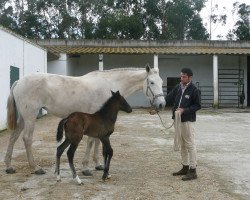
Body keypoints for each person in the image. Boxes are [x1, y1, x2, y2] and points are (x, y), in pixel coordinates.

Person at [150, 68, 201, 181]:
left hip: (187, 121)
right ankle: (185, 167)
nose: (181, 78)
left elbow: (197, 106)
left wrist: (184, 110)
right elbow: (167, 99)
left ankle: (193, 171)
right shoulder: (178, 87)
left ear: (190, 78)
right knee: (182, 144)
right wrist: (157, 109)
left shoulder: (194, 90)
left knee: (190, 144)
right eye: (181, 76)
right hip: (177, 120)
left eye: (184, 76)